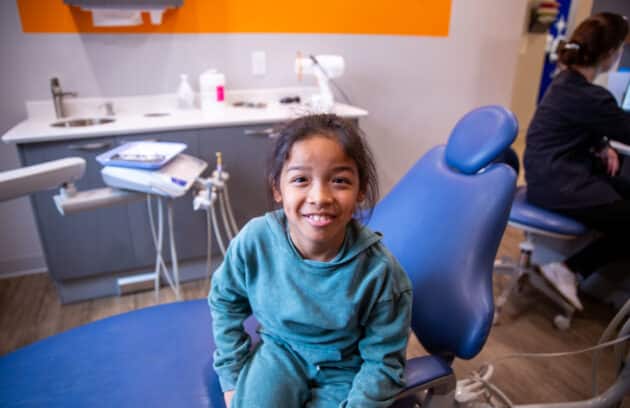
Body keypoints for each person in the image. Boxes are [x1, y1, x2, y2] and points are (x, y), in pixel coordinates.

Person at [209, 114, 412, 408]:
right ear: (278, 189)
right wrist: (232, 374)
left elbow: (383, 363)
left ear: (361, 191)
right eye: (301, 180)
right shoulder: (255, 241)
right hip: (279, 352)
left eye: (340, 181)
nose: (320, 197)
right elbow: (225, 301)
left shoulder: (380, 273)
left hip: (344, 367)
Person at [524, 12, 630, 311]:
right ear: (610, 53)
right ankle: (571, 268)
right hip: (559, 182)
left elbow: (578, 121)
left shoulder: (566, 82)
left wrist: (602, 144)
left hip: (547, 175)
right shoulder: (591, 96)